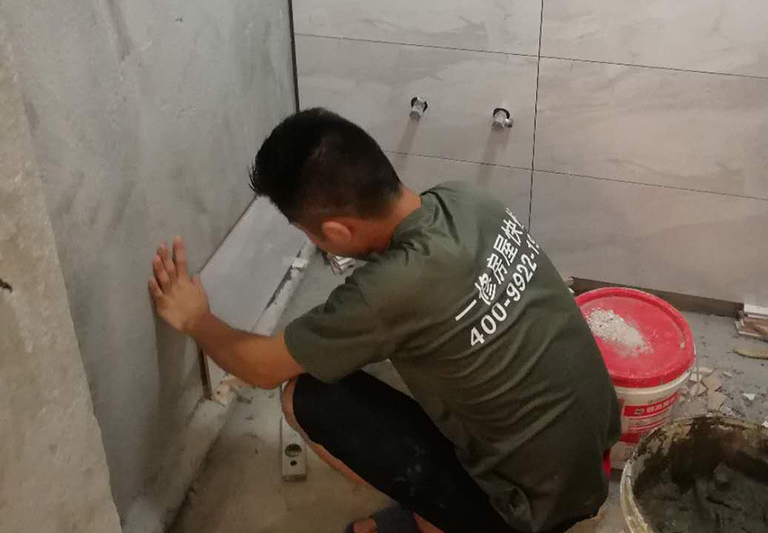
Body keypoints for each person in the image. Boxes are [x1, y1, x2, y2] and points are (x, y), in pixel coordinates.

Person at [148, 108, 621, 533]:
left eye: (310, 234)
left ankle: (444, 522)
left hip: (527, 515)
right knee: (390, 358)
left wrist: (197, 319)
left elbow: (262, 368)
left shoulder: (387, 292)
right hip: (594, 458)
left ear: (336, 231)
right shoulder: (464, 199)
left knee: (306, 398)